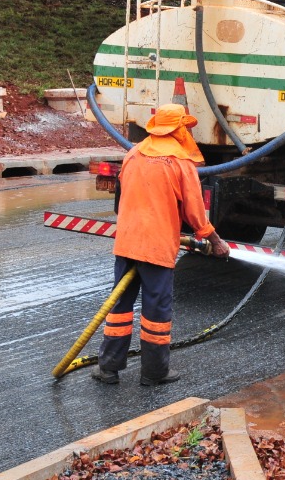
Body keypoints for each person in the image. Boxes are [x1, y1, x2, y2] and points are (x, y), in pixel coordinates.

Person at [92, 103, 229, 387]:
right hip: (156, 248)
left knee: (119, 306)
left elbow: (121, 199)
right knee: (156, 311)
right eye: (185, 128)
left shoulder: (133, 153)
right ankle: (154, 372)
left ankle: (108, 368)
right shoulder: (180, 162)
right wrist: (215, 241)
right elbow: (194, 212)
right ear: (178, 129)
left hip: (127, 241)